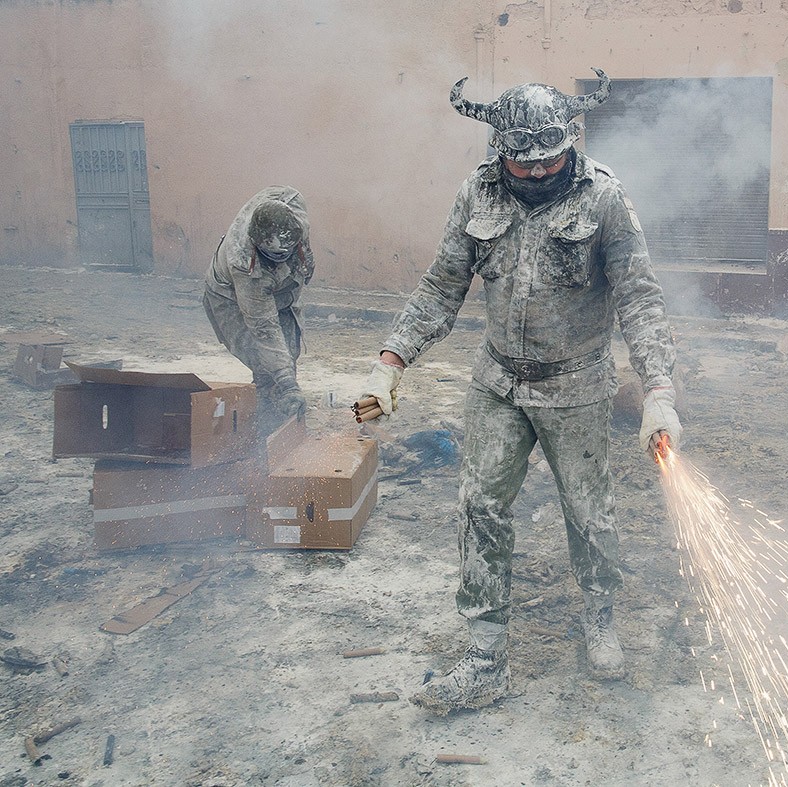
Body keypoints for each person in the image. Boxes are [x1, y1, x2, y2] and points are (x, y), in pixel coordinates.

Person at [359, 69, 682, 714]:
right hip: (498, 383)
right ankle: (485, 655)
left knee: (589, 512)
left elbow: (639, 297)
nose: (536, 171)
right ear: (498, 148)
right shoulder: (477, 194)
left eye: (549, 159)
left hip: (578, 385)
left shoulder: (603, 197)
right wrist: (390, 363)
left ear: (570, 143)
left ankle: (599, 619)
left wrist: (658, 390)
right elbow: (442, 284)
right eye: (522, 161)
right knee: (480, 504)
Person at [203, 186, 314, 427]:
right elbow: (265, 330)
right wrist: (288, 384)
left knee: (289, 351)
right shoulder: (244, 265)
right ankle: (266, 423)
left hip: (283, 290)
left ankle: (286, 416)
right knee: (266, 364)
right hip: (230, 297)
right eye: (275, 257)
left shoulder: (293, 204)